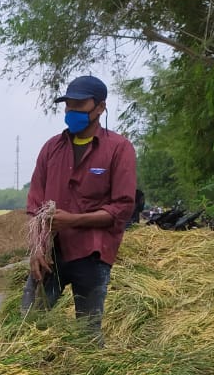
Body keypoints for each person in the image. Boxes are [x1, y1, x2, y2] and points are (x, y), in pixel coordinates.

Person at [22, 75, 136, 341]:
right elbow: (35, 204)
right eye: (68, 105)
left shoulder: (118, 149)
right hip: (50, 255)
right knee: (27, 326)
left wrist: (73, 220)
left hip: (92, 254)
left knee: (87, 334)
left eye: (79, 104)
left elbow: (121, 208)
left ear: (100, 107)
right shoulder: (51, 148)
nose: (72, 111)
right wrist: (37, 249)